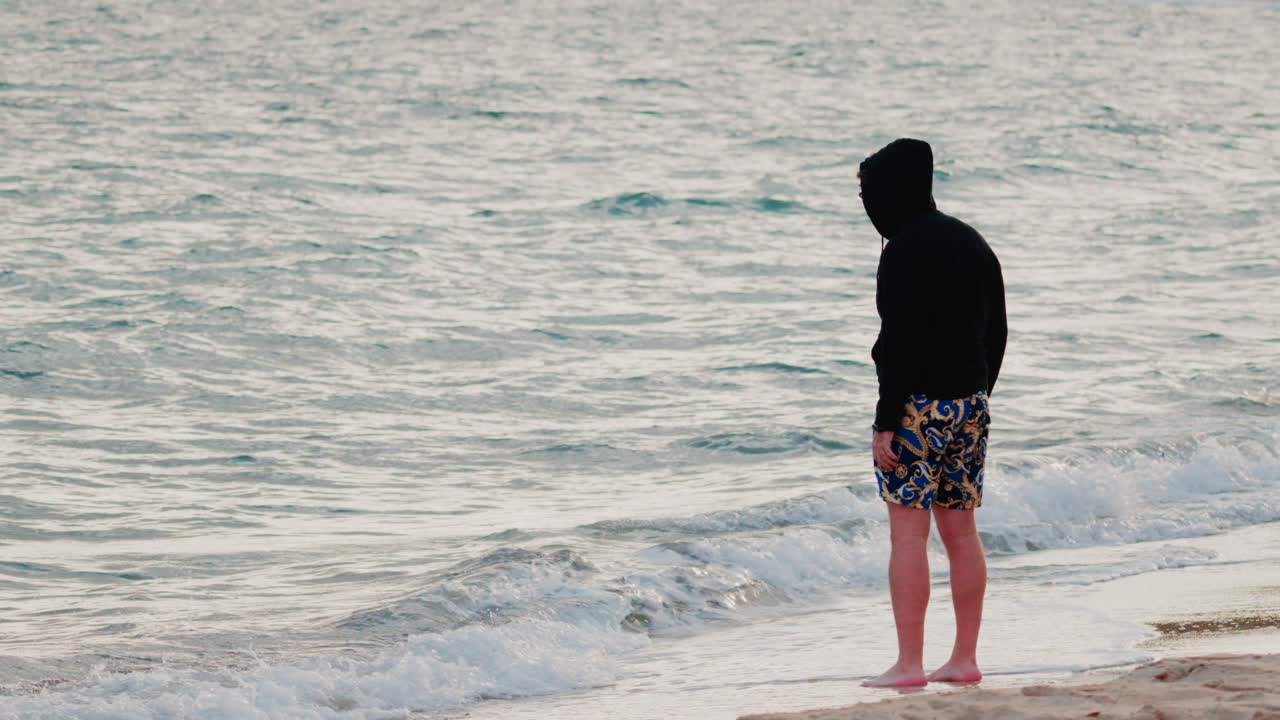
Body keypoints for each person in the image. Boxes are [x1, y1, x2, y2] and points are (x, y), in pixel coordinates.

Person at [856, 138, 1007, 688]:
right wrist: (977, 392)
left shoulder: (902, 248)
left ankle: (909, 666)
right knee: (962, 532)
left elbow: (897, 342)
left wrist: (885, 421)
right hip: (971, 404)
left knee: (908, 536)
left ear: (889, 190)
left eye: (867, 191)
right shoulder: (970, 240)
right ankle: (964, 659)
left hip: (918, 409)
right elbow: (998, 330)